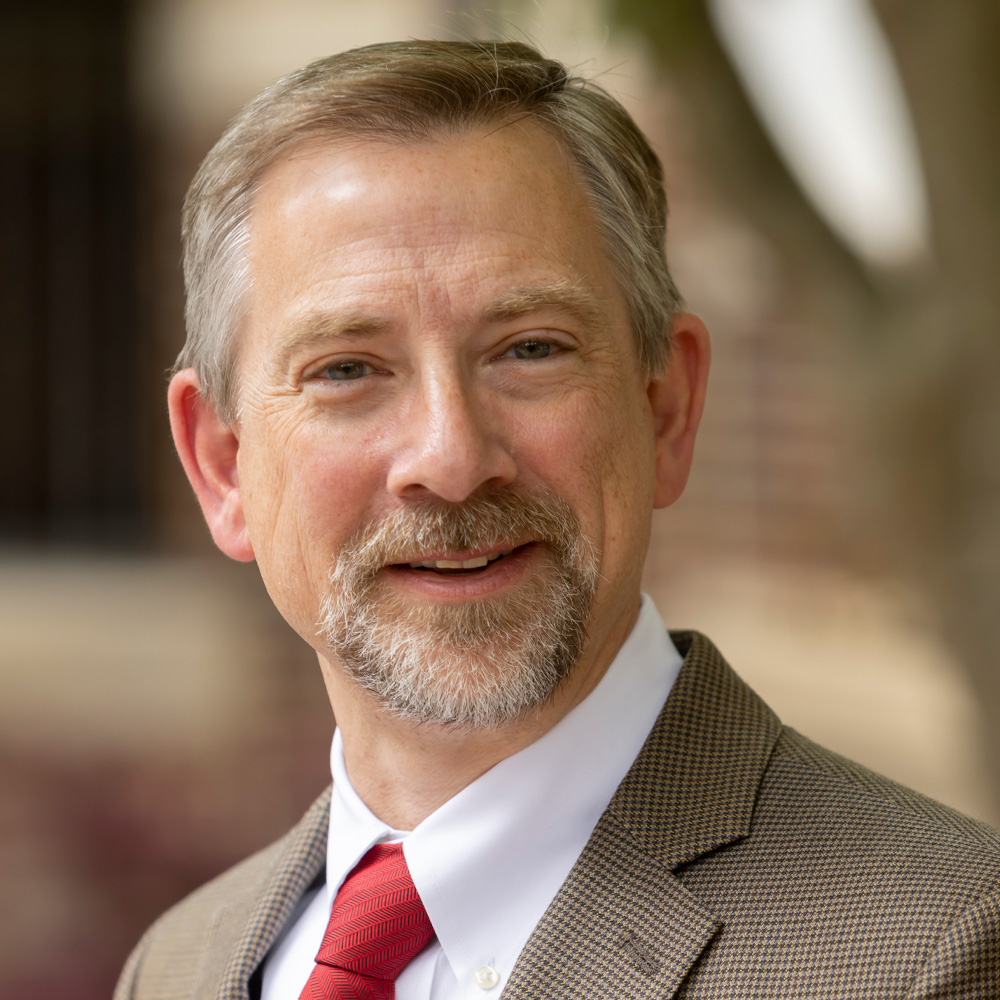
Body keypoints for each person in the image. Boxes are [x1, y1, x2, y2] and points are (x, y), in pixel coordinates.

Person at [116, 39, 1000, 1000]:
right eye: (347, 370)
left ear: (666, 409)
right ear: (223, 464)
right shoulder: (177, 966)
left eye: (530, 349)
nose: (451, 460)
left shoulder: (940, 951)